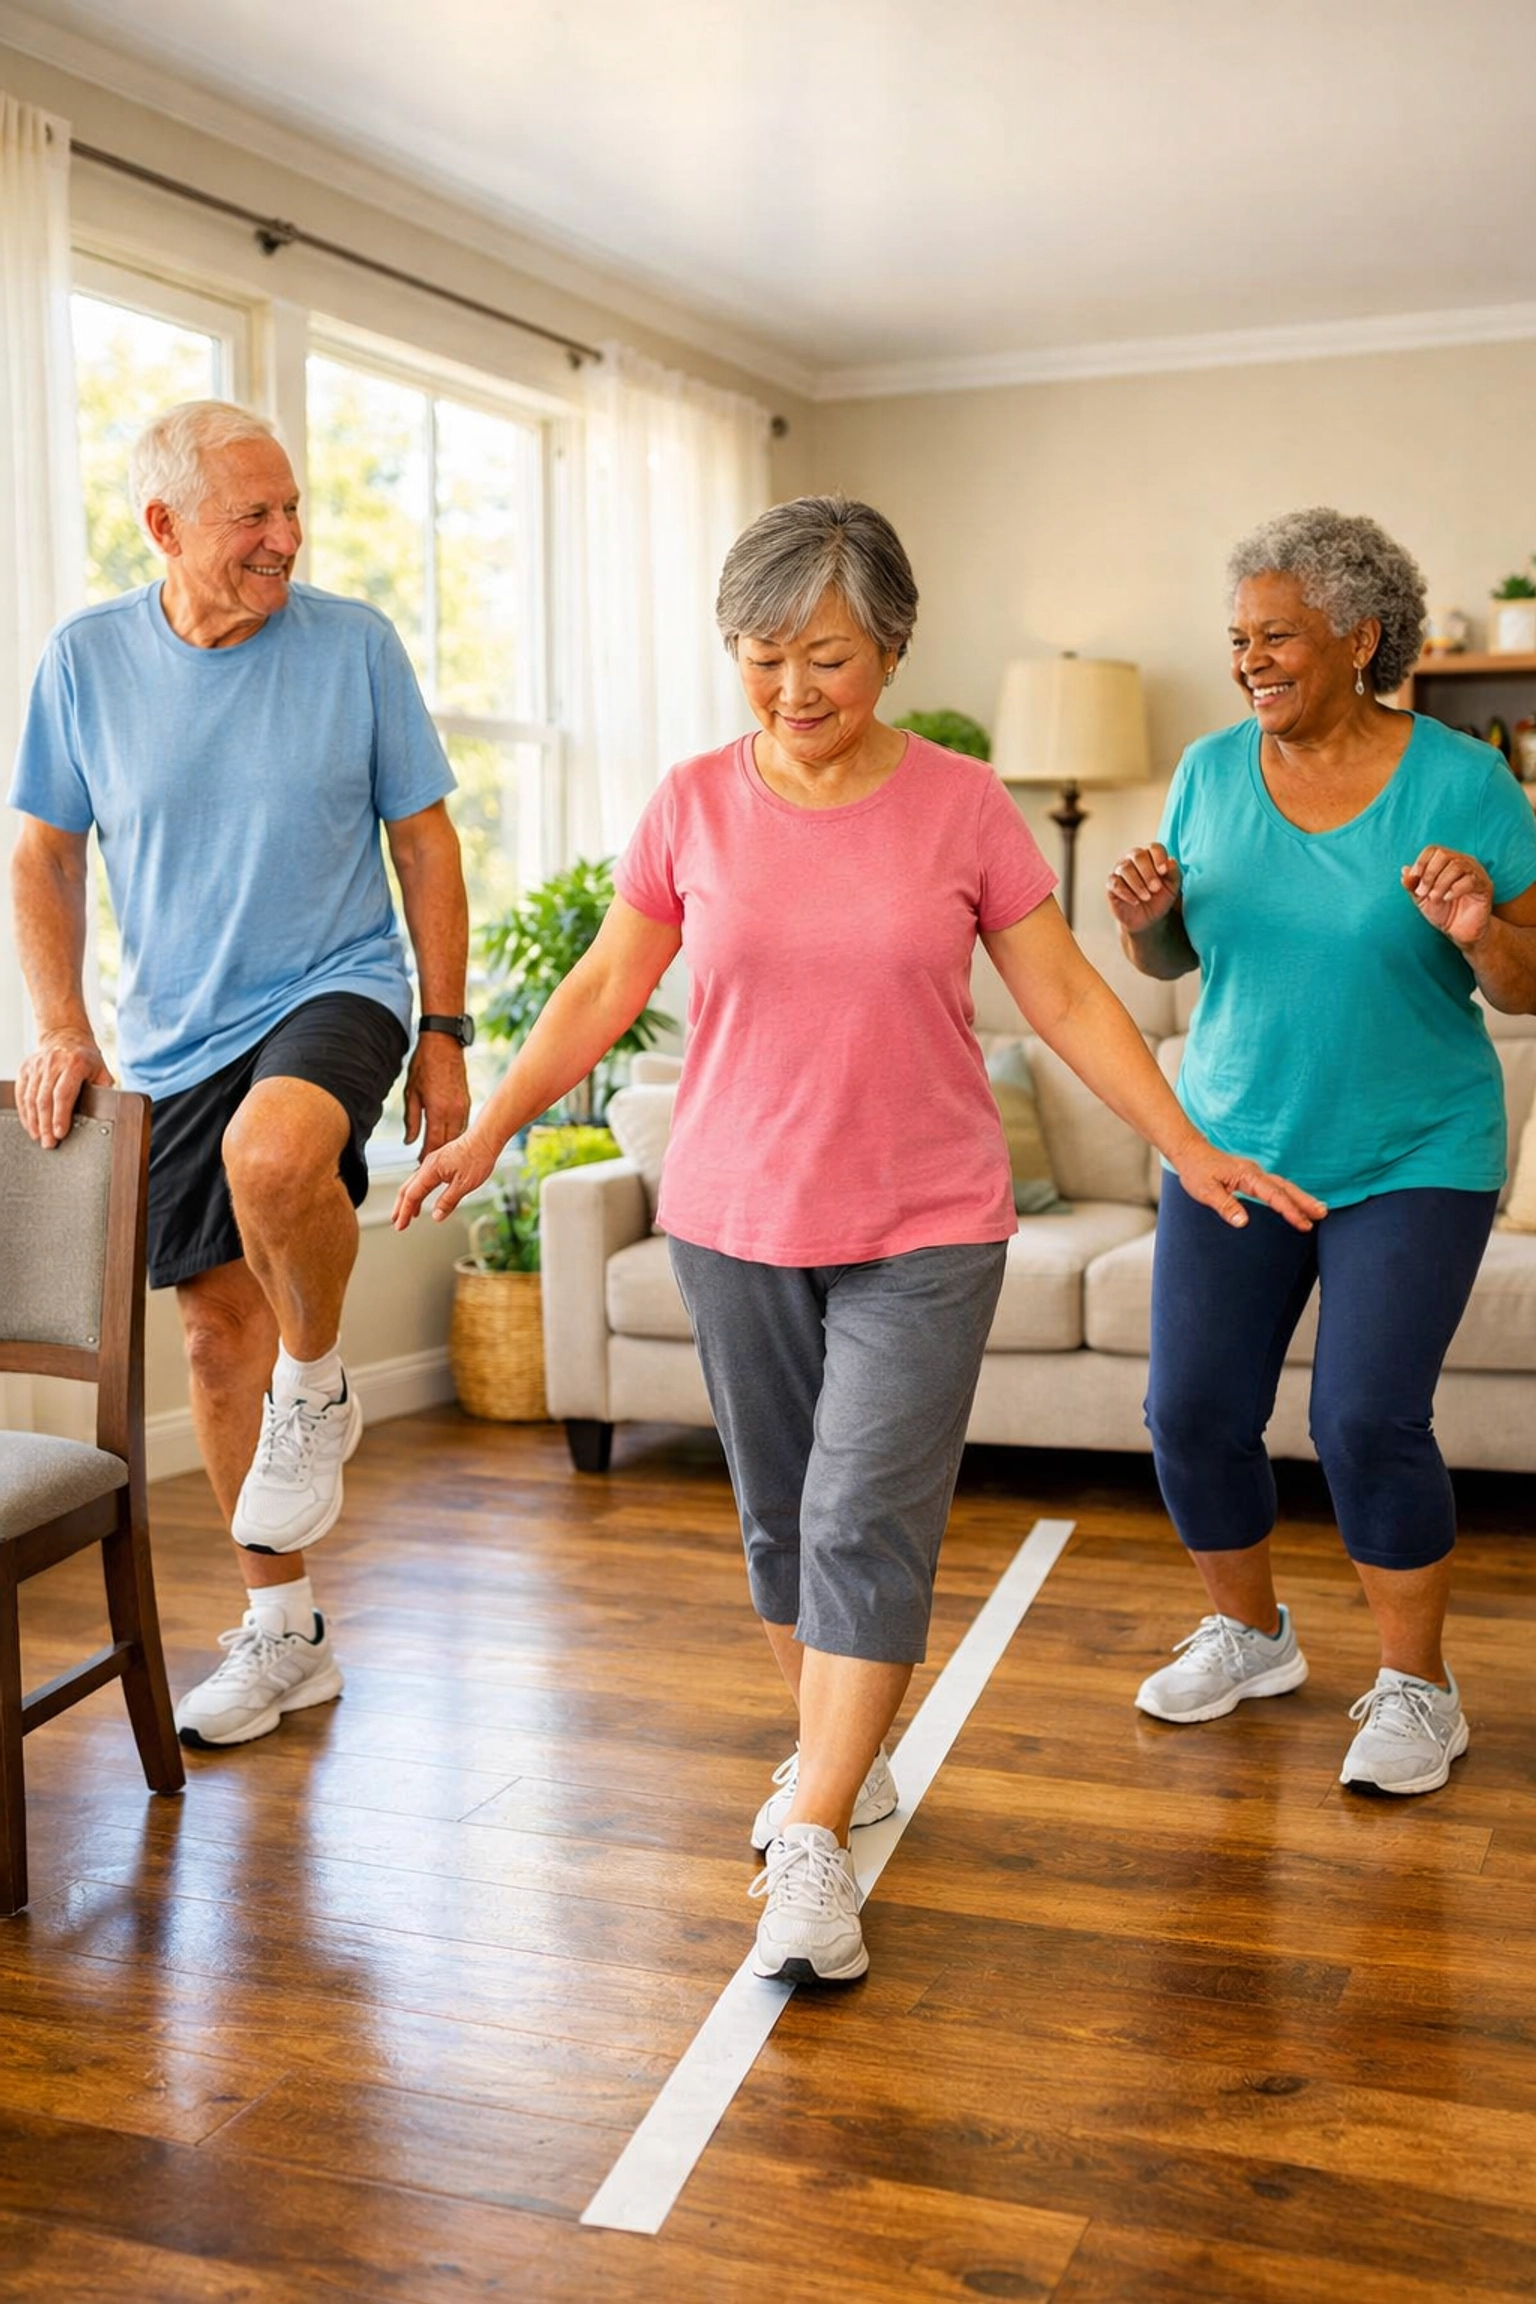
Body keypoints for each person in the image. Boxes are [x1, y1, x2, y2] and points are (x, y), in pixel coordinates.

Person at [394, 494, 1320, 1984]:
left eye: (824, 656)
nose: (793, 691)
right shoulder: (693, 802)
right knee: (776, 1521)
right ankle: (847, 1758)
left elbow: (1074, 996)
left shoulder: (959, 803)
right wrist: (493, 1122)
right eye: (761, 658)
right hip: (733, 1217)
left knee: (858, 1521)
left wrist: (1187, 1144)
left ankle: (816, 1838)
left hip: (926, 1222)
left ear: (889, 645)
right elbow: (595, 991)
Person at [9, 400, 471, 1750]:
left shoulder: (353, 647)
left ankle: (320, 1385)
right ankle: (284, 1636)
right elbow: (43, 851)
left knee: (273, 1160)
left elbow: (429, 845)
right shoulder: (88, 662)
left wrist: (444, 1031)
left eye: (291, 510)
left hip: (337, 983)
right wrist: (60, 1023)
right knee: (216, 1339)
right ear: (164, 527)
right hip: (172, 1030)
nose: (287, 539)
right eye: (251, 518)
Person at [1109, 507, 1536, 1796]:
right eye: (1238, 638)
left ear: (1359, 636)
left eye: (1275, 635)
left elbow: (1527, 986)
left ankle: (1418, 1689)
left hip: (1415, 1147)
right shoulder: (1204, 771)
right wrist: (1148, 926)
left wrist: (1478, 930)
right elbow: (1178, 962)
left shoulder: (1465, 779)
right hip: (1237, 1139)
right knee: (1188, 1412)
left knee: (1363, 1418)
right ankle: (1251, 1635)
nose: (1249, 660)